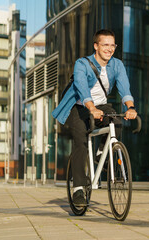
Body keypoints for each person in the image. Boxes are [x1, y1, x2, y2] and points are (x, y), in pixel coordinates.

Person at [52, 29, 137, 206]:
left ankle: (100, 156)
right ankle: (78, 190)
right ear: (96, 46)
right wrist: (91, 108)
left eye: (112, 45)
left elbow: (125, 88)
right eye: (105, 45)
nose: (109, 49)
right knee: (81, 142)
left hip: (100, 105)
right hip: (79, 106)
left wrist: (131, 107)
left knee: (117, 121)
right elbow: (82, 87)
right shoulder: (82, 64)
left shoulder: (117, 65)